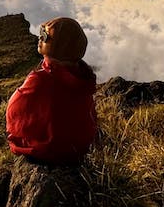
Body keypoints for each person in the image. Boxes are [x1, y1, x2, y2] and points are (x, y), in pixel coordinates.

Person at [6, 17, 97, 165]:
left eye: (45, 35)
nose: (40, 37)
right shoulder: (84, 79)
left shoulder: (40, 80)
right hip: (79, 150)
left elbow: (14, 111)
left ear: (59, 46)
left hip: (48, 152)